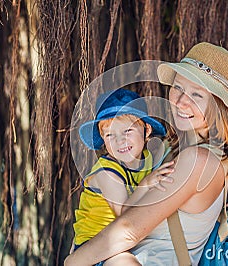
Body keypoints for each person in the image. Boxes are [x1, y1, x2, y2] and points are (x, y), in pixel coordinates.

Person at [65, 42, 228, 266]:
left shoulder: (198, 161)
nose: (182, 102)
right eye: (178, 88)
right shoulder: (171, 150)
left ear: (218, 106)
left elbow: (129, 229)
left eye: (197, 95)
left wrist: (72, 261)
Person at [72, 88, 174, 265]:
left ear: (147, 130)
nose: (120, 141)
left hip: (120, 244)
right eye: (110, 134)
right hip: (93, 249)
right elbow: (126, 217)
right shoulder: (106, 174)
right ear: (103, 138)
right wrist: (145, 184)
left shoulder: (147, 160)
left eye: (127, 131)